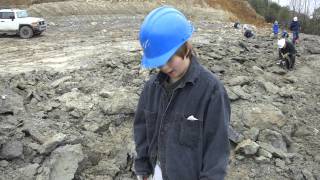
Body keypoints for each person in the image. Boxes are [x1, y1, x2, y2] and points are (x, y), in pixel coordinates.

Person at [134, 6, 230, 180]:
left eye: (169, 59)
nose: (165, 67)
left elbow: (216, 150)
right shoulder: (151, 89)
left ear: (185, 47)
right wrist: (142, 168)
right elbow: (141, 131)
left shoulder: (212, 91)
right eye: (159, 62)